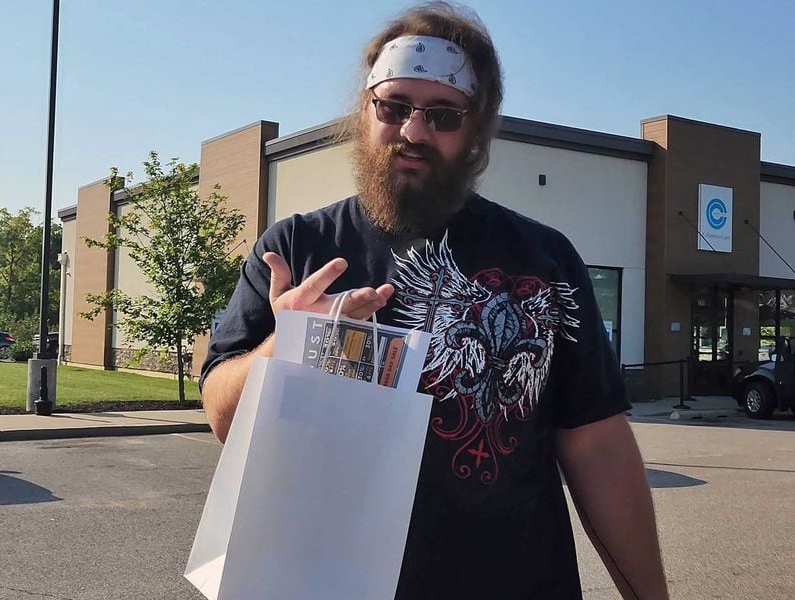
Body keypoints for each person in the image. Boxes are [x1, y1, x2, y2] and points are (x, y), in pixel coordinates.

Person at [199, 3, 669, 598]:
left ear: (476, 130)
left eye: (443, 115)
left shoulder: (544, 259)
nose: (413, 132)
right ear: (365, 111)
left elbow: (597, 443)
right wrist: (287, 344)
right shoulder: (297, 250)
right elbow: (220, 415)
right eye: (393, 107)